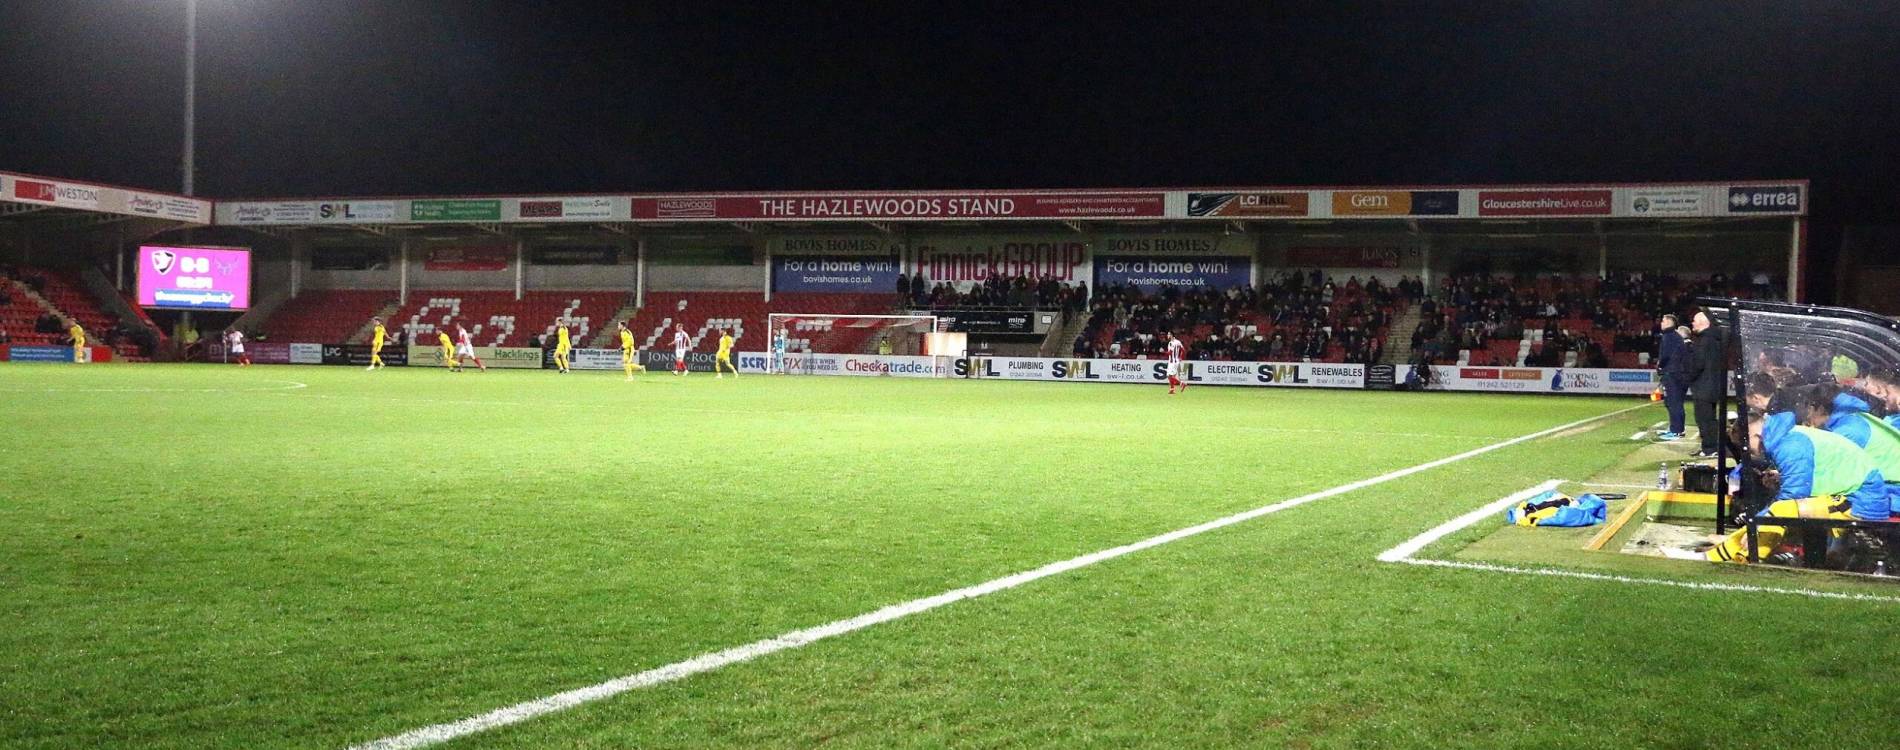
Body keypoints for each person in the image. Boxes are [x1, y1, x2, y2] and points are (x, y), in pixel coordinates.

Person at [1705, 410, 1891, 563]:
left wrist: (1754, 528)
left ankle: (1745, 556)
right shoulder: (1789, 436)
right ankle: (1732, 548)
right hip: (1855, 495)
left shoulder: (1789, 446)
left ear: (1756, 436)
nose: (1748, 452)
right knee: (1778, 513)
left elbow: (1792, 496)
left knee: (1781, 510)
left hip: (1860, 501)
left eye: (1745, 445)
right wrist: (1781, 478)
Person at [1687, 311, 1727, 457]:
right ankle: (1710, 447)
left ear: (1704, 323)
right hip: (1713, 386)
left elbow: (1698, 364)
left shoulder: (1704, 341)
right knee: (1710, 419)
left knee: (1704, 419)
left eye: (1695, 320)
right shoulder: (1715, 339)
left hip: (1703, 386)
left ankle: (1710, 449)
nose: (1692, 323)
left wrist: (1688, 377)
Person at [1655, 314, 1689, 440]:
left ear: (1669, 322)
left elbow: (1665, 356)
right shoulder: (1676, 336)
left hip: (1672, 373)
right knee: (1676, 402)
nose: (1661, 323)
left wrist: (1660, 365)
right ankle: (1678, 429)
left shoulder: (1669, 336)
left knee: (1673, 402)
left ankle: (1676, 431)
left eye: (1663, 321)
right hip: (1677, 373)